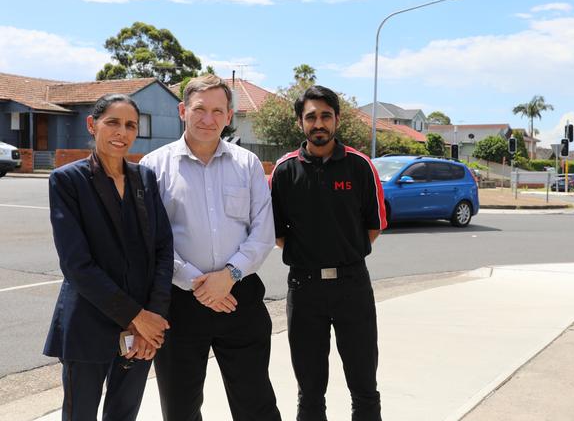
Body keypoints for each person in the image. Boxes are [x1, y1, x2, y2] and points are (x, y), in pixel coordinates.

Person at [140, 74, 281, 421]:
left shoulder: (247, 165)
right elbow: (150, 240)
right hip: (179, 305)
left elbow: (263, 233)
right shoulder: (152, 167)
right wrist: (196, 282)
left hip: (240, 298)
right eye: (200, 109)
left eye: (218, 111)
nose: (208, 119)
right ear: (182, 110)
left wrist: (228, 276)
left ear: (229, 116)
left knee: (256, 402)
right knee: (180, 406)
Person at [43, 94, 174, 421]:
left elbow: (163, 248)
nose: (122, 132)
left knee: (124, 414)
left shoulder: (145, 178)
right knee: (80, 414)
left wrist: (152, 317)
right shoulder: (67, 181)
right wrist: (136, 317)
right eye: (112, 122)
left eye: (130, 125)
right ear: (92, 124)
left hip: (142, 331)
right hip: (88, 325)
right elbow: (76, 265)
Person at [271, 85, 387, 421]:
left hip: (353, 287)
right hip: (304, 290)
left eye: (325, 115)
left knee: (364, 385)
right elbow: (278, 233)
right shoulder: (284, 171)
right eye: (311, 117)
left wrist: (344, 252)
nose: (318, 123)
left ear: (336, 119)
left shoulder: (360, 166)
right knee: (309, 390)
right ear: (300, 123)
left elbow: (373, 226)